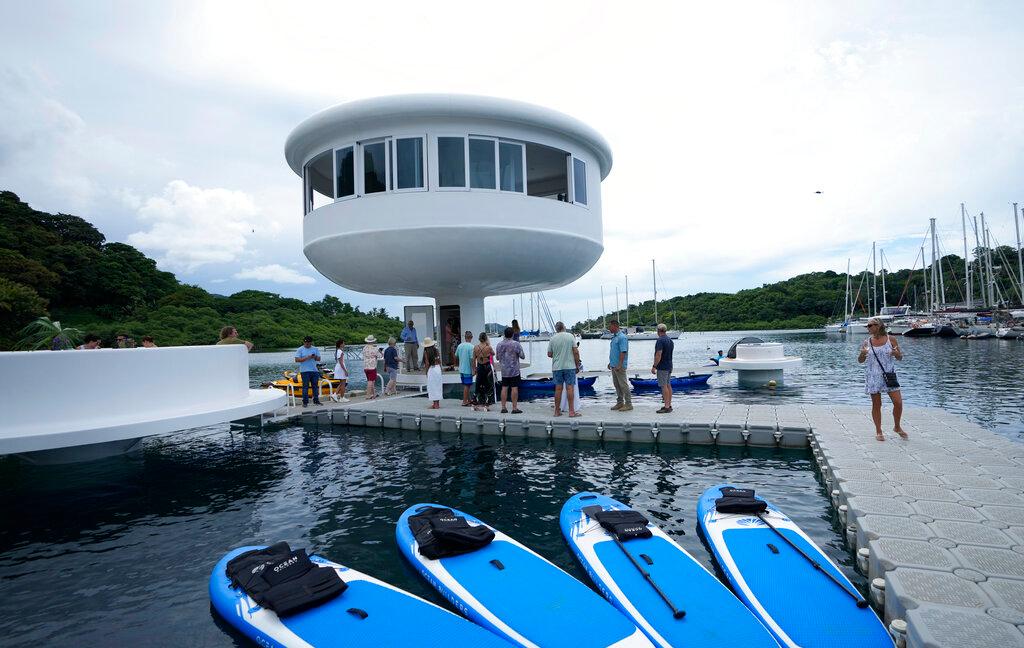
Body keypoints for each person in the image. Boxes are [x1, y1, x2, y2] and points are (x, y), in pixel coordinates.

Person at [858, 317, 907, 441]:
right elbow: (860, 361)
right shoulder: (867, 342)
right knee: (876, 404)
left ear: (878, 326)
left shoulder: (891, 340)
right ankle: (879, 431)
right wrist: (862, 354)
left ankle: (897, 426)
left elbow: (900, 357)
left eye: (870, 325)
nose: (868, 328)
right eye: (867, 326)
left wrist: (896, 354)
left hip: (889, 375)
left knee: (898, 402)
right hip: (873, 376)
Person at [547, 321, 580, 417]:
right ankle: (571, 412)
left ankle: (557, 411)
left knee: (558, 389)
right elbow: (576, 352)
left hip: (557, 367)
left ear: (556, 329)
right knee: (570, 388)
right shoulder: (570, 336)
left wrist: (557, 355)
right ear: (564, 327)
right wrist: (577, 365)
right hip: (569, 367)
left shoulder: (553, 338)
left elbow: (549, 354)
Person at [495, 327, 525, 414]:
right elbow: (522, 356)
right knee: (514, 388)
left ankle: (503, 407)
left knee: (504, 388)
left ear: (504, 334)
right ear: (512, 334)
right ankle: (514, 408)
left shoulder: (499, 345)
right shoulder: (516, 344)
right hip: (514, 370)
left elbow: (497, 357)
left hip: (504, 371)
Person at [607, 319, 632, 411]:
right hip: (614, 365)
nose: (609, 328)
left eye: (610, 326)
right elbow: (614, 351)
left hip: (619, 366)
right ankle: (620, 402)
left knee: (623, 385)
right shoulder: (614, 337)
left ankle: (628, 404)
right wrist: (611, 363)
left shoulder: (622, 337)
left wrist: (620, 364)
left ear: (615, 326)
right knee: (617, 385)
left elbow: (623, 351)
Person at [294, 336, 322, 407]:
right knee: (305, 387)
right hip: (304, 371)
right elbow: (296, 360)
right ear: (304, 342)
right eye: (306, 343)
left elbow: (319, 359)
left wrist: (314, 357)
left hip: (314, 370)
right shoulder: (300, 349)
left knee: (315, 386)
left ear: (311, 342)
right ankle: (305, 402)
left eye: (309, 343)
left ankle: (316, 401)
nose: (307, 344)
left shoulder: (315, 349)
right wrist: (307, 357)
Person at [652, 323, 674, 413]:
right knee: (668, 385)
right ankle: (669, 404)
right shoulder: (669, 340)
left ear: (658, 331)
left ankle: (666, 406)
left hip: (662, 367)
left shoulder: (660, 340)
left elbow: (658, 354)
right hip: (669, 365)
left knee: (663, 386)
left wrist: (654, 366)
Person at [473, 332, 496, 411]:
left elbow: (473, 359)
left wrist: (474, 369)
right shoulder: (488, 347)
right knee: (488, 384)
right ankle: (488, 401)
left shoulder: (475, 347)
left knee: (478, 383)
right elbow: (493, 353)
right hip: (487, 367)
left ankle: (477, 400)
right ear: (485, 338)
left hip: (479, 366)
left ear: (479, 338)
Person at [560, 340, 584, 414]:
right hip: (570, 369)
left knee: (563, 388)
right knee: (571, 388)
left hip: (561, 368)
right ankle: (572, 408)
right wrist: (577, 366)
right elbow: (576, 356)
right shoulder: (573, 350)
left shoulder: (563, 349)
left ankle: (562, 405)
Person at [455, 331, 475, 406]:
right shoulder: (472, 347)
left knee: (467, 385)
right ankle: (464, 401)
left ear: (465, 337)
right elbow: (472, 360)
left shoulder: (460, 346)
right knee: (467, 385)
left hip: (461, 369)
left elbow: (456, 355)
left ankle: (469, 400)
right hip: (467, 369)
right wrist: (474, 369)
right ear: (471, 337)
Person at [423, 337, 442, 409]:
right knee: (437, 386)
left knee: (432, 386)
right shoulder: (436, 350)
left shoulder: (426, 352)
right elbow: (439, 360)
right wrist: (440, 369)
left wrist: (426, 372)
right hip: (437, 368)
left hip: (432, 369)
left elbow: (427, 363)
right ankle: (437, 403)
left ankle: (435, 404)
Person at [363, 335, 381, 400]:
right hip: (372, 367)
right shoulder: (374, 348)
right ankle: (368, 395)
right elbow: (379, 356)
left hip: (365, 367)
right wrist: (379, 351)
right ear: (373, 341)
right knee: (370, 381)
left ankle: (373, 394)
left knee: (371, 381)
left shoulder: (364, 348)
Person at [331, 339, 349, 403]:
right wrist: (345, 371)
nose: (344, 344)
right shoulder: (340, 352)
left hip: (338, 367)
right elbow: (341, 362)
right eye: (344, 343)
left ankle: (335, 394)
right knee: (343, 383)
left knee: (341, 383)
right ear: (341, 344)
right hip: (341, 367)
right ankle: (342, 397)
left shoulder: (337, 351)